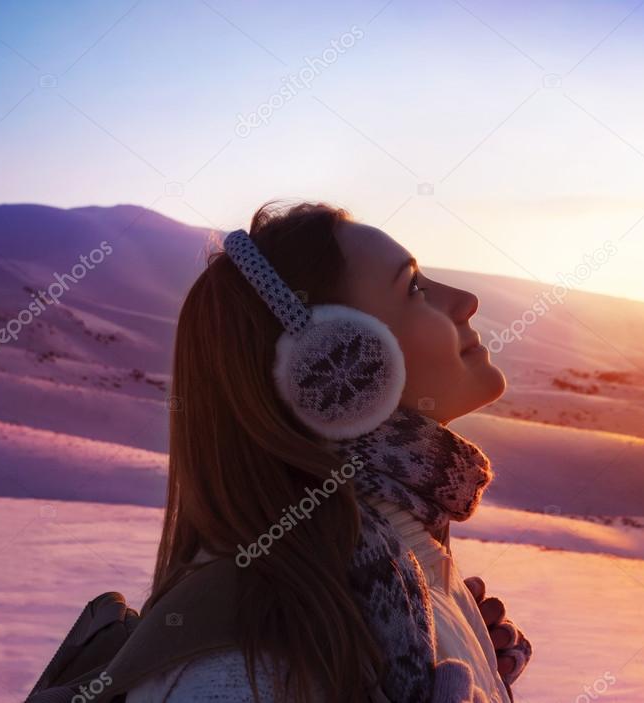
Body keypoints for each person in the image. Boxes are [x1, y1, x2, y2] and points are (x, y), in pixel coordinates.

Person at [126, 201, 531, 702]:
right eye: (413, 288)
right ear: (333, 359)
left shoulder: (406, 577)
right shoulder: (248, 660)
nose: (467, 301)